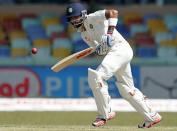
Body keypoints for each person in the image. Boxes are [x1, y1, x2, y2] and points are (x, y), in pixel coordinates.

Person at [66, 2, 162, 128]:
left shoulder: (93, 17)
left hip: (120, 49)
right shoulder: (84, 35)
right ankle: (152, 116)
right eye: (71, 18)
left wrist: (109, 33)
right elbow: (101, 50)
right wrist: (100, 49)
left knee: (96, 76)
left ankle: (105, 113)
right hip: (115, 54)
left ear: (83, 14)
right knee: (127, 90)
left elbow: (113, 12)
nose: (74, 20)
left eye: (75, 17)